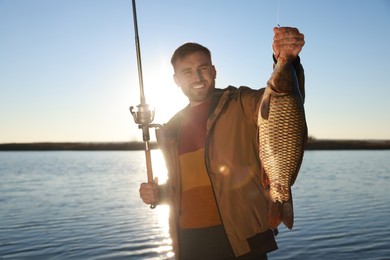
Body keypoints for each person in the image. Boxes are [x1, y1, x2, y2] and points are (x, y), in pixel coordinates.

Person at [139, 26, 306, 259]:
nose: (197, 77)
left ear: (214, 70)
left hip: (242, 243)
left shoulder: (241, 102)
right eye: (187, 72)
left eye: (203, 68)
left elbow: (287, 105)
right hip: (189, 243)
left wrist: (288, 61)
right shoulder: (170, 129)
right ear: (176, 80)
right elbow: (184, 185)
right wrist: (161, 193)